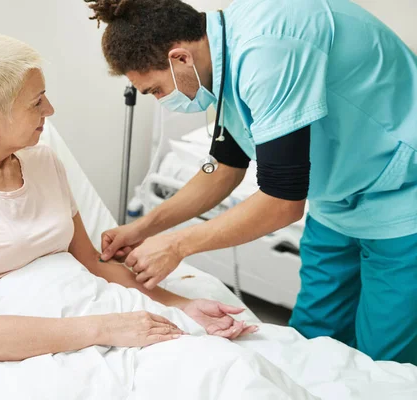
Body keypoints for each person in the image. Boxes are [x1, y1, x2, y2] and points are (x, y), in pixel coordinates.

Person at [86, 0, 417, 364]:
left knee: (385, 361)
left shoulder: (267, 50)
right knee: (311, 342)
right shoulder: (221, 58)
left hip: (401, 197)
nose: (162, 101)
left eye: (156, 90)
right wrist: (144, 228)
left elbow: (282, 202)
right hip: (336, 201)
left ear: (179, 58)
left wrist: (176, 245)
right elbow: (223, 165)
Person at [0, 32, 257, 362]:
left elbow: (92, 263)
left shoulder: (43, 161)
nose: (50, 110)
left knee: (224, 364)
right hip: (39, 343)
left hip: (95, 308)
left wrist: (182, 305)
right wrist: (106, 328)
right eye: (36, 102)